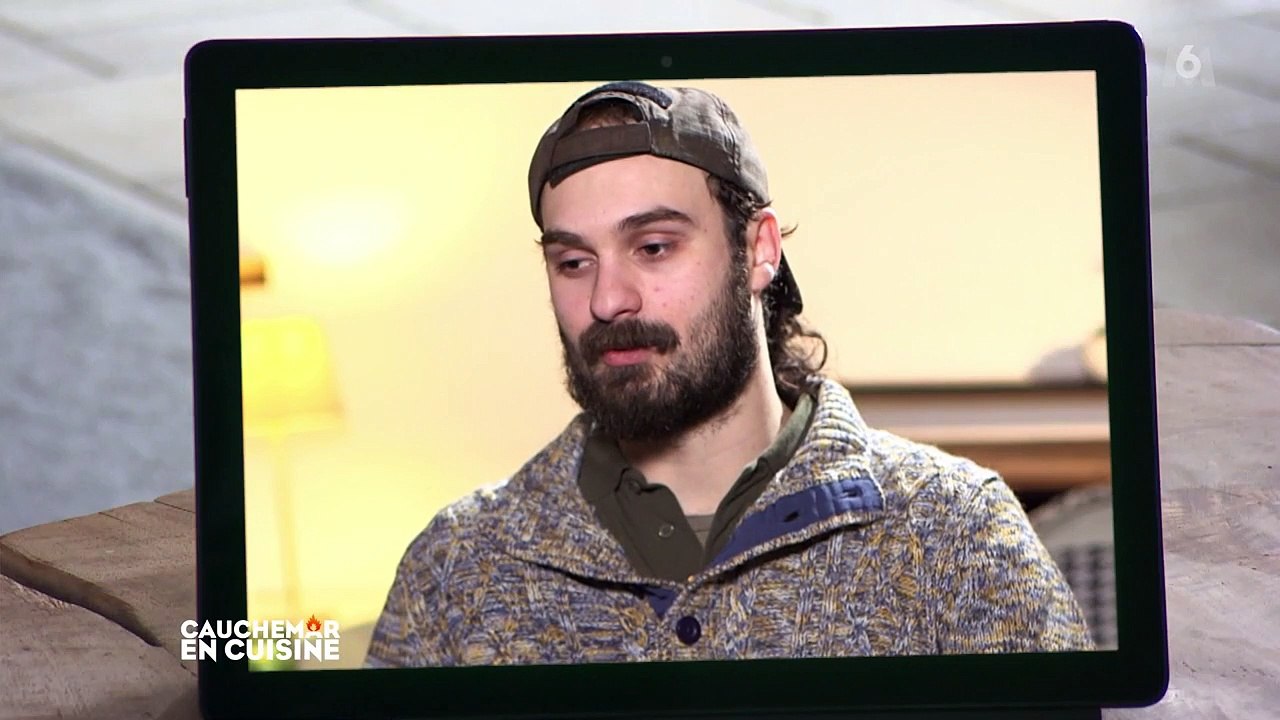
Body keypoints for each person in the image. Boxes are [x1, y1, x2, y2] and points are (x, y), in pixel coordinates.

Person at [365, 81, 1093, 667]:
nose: (607, 299)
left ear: (759, 251)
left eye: (652, 247)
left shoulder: (954, 534)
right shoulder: (458, 566)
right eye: (573, 262)